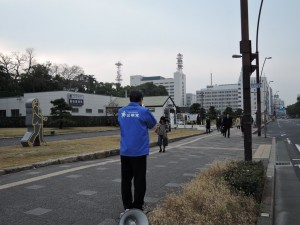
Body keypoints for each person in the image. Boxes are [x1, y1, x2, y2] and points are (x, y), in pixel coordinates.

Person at [118, 90, 157, 215]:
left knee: (126, 180)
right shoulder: (143, 111)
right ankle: (138, 207)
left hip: (125, 151)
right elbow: (152, 124)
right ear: (141, 99)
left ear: (130, 99)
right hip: (139, 152)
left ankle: (127, 207)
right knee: (139, 181)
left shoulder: (121, 111)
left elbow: (121, 124)